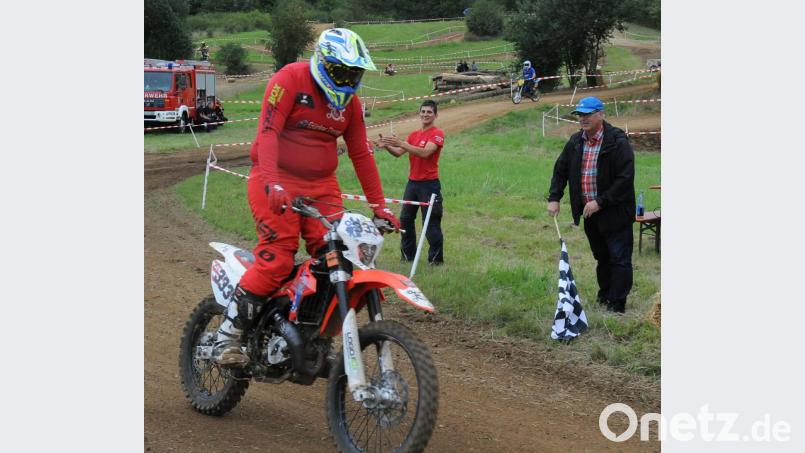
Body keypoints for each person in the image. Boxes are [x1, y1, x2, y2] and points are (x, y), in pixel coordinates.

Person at [213, 28, 401, 366]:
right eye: (340, 72)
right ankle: (227, 335)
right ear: (323, 63)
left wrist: (380, 207)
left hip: (321, 186)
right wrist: (271, 181)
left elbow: (361, 153)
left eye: (353, 74)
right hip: (276, 178)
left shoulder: (351, 105)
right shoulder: (289, 80)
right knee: (278, 258)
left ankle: (309, 332)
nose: (346, 80)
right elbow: (268, 132)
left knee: (339, 257)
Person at [547, 96, 635, 314]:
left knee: (619, 258)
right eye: (580, 115)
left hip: (615, 213)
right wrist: (554, 197)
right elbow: (561, 169)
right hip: (590, 213)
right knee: (602, 257)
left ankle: (617, 303)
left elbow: (625, 179)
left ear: (601, 114)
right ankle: (605, 295)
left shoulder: (617, 142)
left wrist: (600, 202)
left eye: (588, 114)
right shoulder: (576, 142)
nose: (583, 119)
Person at [378, 100, 445, 265]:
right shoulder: (413, 135)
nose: (425, 114)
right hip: (412, 184)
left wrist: (402, 143)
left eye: (429, 112)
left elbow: (425, 153)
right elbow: (398, 153)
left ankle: (436, 261)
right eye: (423, 111)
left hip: (429, 185)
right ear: (419, 114)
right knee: (406, 220)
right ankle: (408, 257)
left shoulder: (437, 133)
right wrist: (386, 146)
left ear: (435, 115)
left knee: (431, 223)